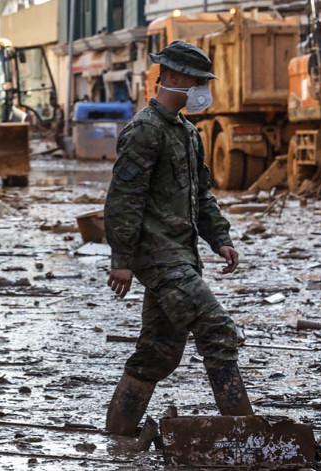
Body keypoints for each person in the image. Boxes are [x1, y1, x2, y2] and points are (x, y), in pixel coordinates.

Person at [103, 41, 254, 436]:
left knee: (157, 354)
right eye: (197, 80)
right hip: (158, 259)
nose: (203, 88)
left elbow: (201, 195)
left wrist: (219, 239)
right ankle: (249, 435)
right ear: (171, 77)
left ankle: (117, 436)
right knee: (218, 329)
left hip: (181, 257)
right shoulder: (143, 131)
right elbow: (124, 197)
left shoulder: (188, 133)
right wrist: (121, 259)